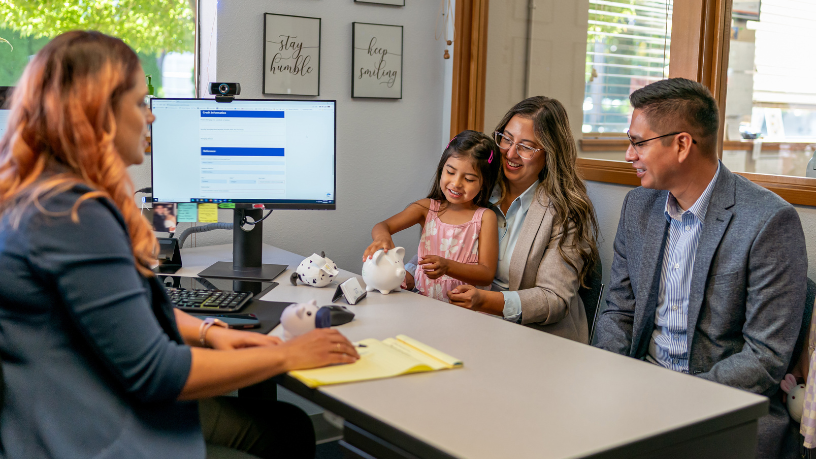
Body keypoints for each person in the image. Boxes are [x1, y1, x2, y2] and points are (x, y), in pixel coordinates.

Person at [0, 31, 359, 459]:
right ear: (97, 113)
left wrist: (206, 329)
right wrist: (290, 355)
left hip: (71, 402)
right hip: (93, 432)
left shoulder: (40, 196)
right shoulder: (73, 216)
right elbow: (156, 372)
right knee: (284, 433)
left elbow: (119, 308)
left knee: (288, 428)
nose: (150, 118)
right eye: (137, 103)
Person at [593, 78, 807, 458]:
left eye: (638, 142)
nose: (629, 154)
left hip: (724, 409)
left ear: (681, 144)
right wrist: (616, 381)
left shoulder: (769, 221)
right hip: (638, 391)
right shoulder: (638, 208)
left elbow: (765, 357)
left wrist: (677, 400)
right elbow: (618, 310)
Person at [405, 97, 599, 343]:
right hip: (462, 321)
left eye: (526, 146)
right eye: (506, 139)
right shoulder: (476, 185)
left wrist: (486, 301)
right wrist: (408, 272)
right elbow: (441, 239)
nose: (510, 152)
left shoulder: (564, 212)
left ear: (550, 154)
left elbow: (554, 299)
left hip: (532, 336)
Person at [363, 130, 500, 303]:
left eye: (469, 179)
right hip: (425, 305)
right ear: (442, 169)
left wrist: (448, 266)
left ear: (484, 184)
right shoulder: (427, 208)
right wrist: (382, 238)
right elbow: (382, 226)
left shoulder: (484, 217)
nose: (456, 183)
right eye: (450, 172)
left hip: (465, 311)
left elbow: (486, 274)